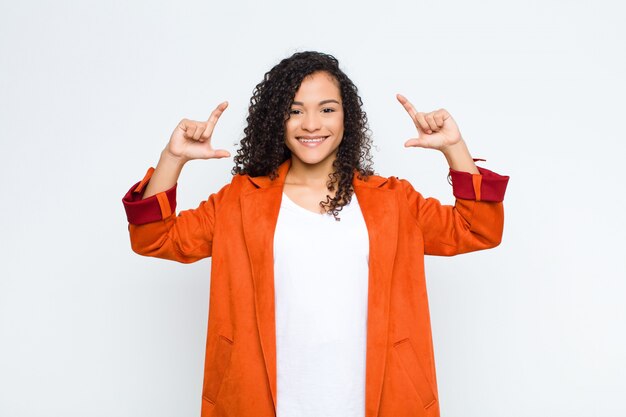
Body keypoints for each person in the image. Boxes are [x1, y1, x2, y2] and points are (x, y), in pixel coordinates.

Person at [122, 51, 509, 417]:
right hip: (260, 401)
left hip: (381, 400)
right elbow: (153, 238)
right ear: (277, 120)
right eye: (295, 111)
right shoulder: (240, 201)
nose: (311, 124)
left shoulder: (392, 201)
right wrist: (172, 159)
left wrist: (454, 148)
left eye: (327, 109)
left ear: (346, 117)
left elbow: (477, 229)